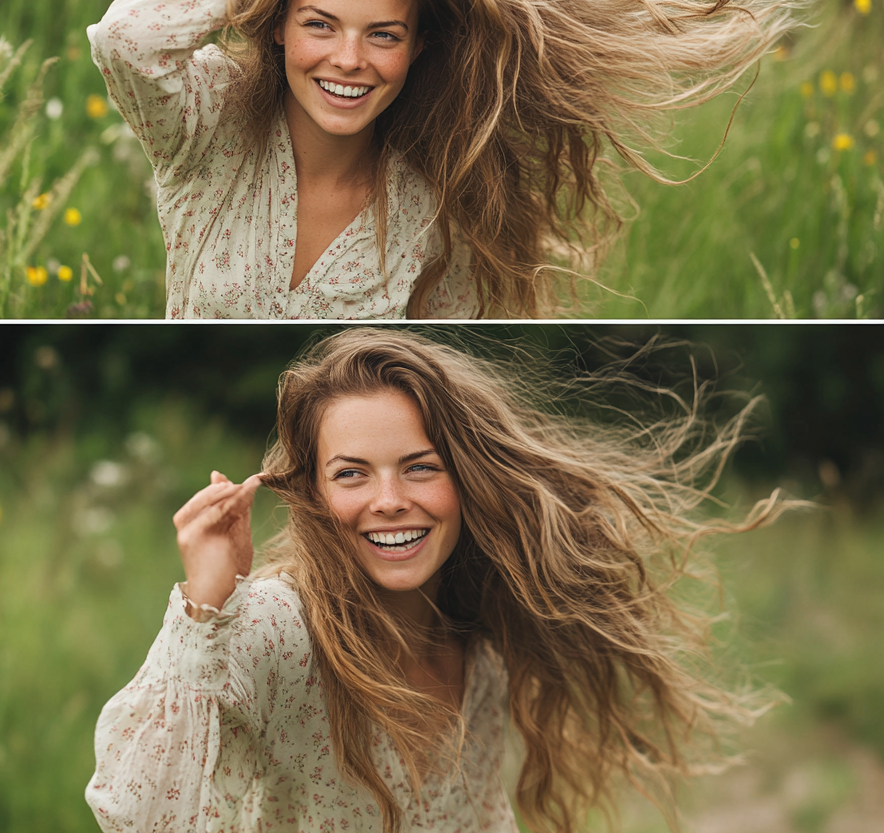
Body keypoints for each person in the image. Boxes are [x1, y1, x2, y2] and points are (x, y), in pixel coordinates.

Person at [85, 329, 794, 832]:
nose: (389, 499)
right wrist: (206, 606)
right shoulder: (275, 629)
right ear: (315, 496)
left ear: (469, 478)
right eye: (351, 474)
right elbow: (136, 812)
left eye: (421, 466)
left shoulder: (477, 649)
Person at [87, 0, 797, 319]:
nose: (349, 59)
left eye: (383, 35)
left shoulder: (436, 213)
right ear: (276, 26)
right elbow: (123, 40)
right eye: (320, 25)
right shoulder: (204, 126)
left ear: (418, 46)